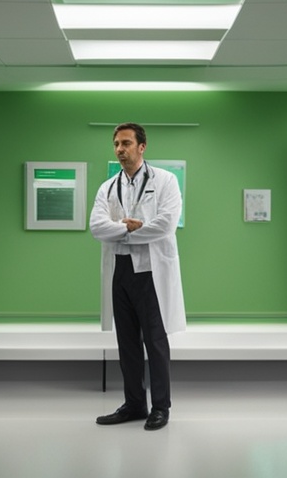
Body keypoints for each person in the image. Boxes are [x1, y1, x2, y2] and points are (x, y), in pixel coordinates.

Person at [90, 122, 186, 431]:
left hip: (151, 273)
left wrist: (122, 232)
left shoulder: (166, 181)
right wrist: (126, 227)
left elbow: (166, 224)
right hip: (121, 272)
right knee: (127, 343)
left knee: (156, 343)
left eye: (126, 143)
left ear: (142, 147)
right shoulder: (107, 187)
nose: (120, 149)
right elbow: (96, 227)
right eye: (116, 144)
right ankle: (134, 404)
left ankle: (161, 407)